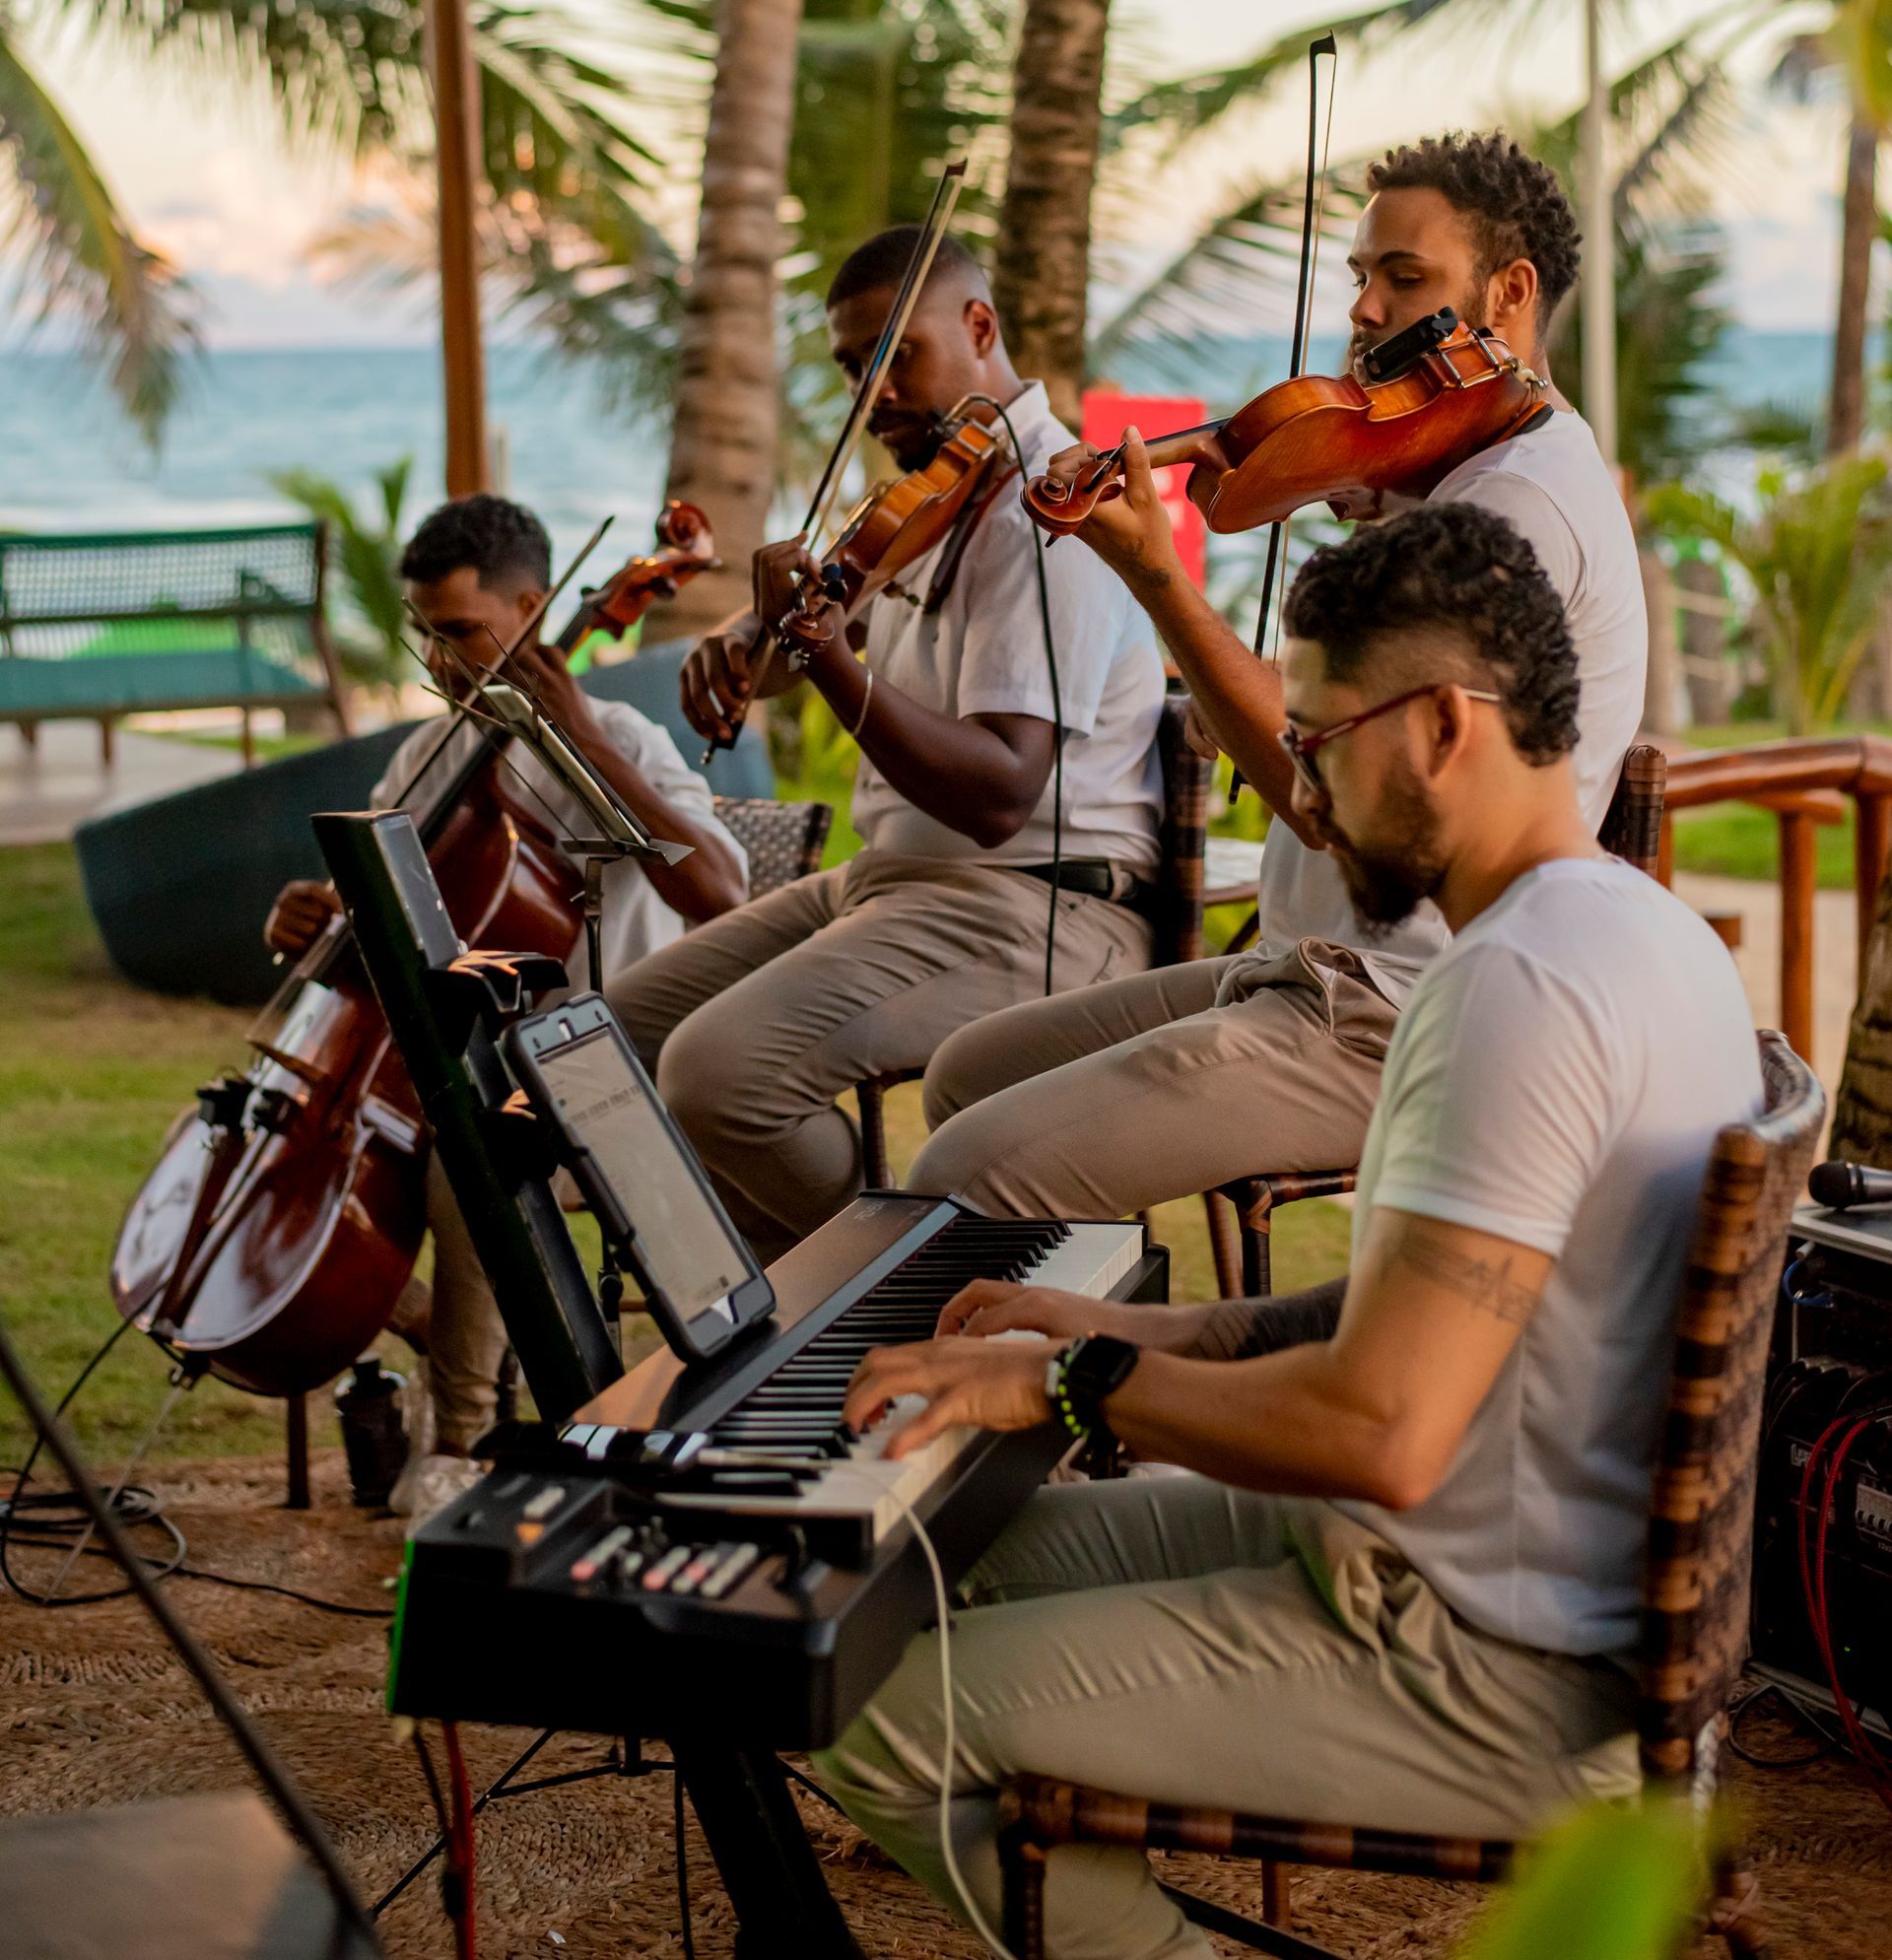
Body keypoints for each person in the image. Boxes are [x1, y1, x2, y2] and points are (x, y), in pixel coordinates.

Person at [817, 504, 1762, 1960]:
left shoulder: (1514, 990)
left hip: (1484, 1664)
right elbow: (1410, 1331)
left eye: (1316, 742)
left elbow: (1381, 1428)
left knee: (861, 1710)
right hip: (1472, 1572)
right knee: (923, 1566)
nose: (1296, 799)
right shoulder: (1646, 936)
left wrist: (1061, 1388)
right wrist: (1127, 1330)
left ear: (1445, 723)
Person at [910, 131, 1647, 1225]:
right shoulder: (1450, 471)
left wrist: (1161, 578)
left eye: (1406, 279)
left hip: (1398, 1005)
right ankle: (1094, 1328)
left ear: (1509, 291)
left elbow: (1319, 798)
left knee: (959, 1172)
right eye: (1360, 276)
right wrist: (1362, 483)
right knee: (967, 1069)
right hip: (1301, 965)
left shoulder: (1514, 507)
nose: (1363, 309)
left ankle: (1078, 1377)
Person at [604, 225, 1167, 1259]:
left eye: (896, 353)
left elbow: (1001, 789)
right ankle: (797, 1321)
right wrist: (746, 638)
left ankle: (900, 1289)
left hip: (1034, 897)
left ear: (981, 326)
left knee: (717, 1076)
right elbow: (808, 636)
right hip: (894, 879)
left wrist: (821, 655)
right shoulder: (935, 493)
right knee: (611, 1041)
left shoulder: (1052, 505)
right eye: (854, 367)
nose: (875, 389)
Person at [263, 493, 747, 1509]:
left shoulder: (620, 734)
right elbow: (384, 929)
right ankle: (498, 1337)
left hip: (616, 1074)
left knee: (467, 1147)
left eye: (460, 634)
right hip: (460, 1071)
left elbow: (719, 889)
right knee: (296, 1161)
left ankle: (468, 1433)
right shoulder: (430, 755)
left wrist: (572, 729)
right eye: (423, 635)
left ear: (532, 610)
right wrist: (317, 920)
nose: (439, 663)